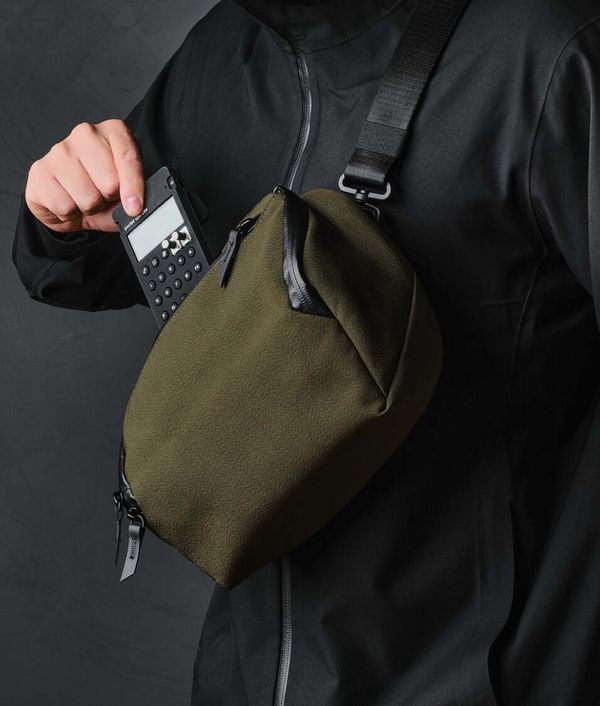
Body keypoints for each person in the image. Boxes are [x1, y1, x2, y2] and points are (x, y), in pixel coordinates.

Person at [12, 0, 600, 703]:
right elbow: (81, 264)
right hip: (244, 678)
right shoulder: (225, 50)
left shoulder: (547, 50)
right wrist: (60, 213)